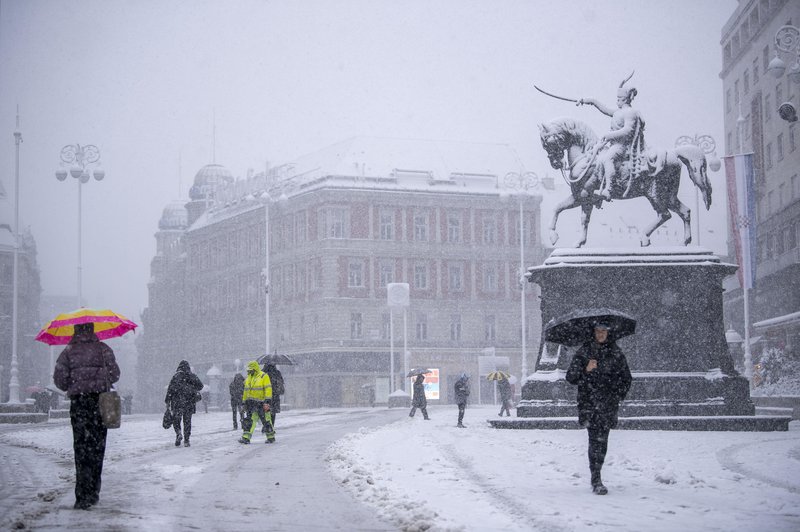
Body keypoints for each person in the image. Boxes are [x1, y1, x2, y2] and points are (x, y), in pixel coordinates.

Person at [53, 322, 120, 510]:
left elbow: (60, 380)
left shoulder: (68, 352)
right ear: (92, 329)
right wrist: (100, 375)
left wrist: (75, 383)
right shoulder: (103, 349)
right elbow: (115, 375)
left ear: (75, 330)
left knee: (81, 448)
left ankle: (81, 496)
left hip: (79, 405)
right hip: (100, 402)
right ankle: (93, 492)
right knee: (97, 448)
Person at [566, 323, 632, 495]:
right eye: (598, 331)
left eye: (604, 331)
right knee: (594, 440)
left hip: (608, 404)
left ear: (608, 333)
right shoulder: (584, 352)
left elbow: (626, 378)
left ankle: (597, 474)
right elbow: (571, 377)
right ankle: (596, 478)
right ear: (593, 332)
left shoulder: (616, 353)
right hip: (589, 403)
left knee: (602, 442)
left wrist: (616, 392)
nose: (601, 334)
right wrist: (586, 370)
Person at [578, 79, 646, 200]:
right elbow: (603, 108)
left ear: (625, 99)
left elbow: (628, 131)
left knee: (608, 158)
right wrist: (587, 101)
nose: (617, 102)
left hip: (623, 146)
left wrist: (610, 135)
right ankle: (595, 186)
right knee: (600, 157)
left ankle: (609, 189)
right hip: (614, 145)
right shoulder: (618, 112)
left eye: (619, 99)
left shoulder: (630, 113)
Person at [164, 360, 204, 448]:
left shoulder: (175, 377)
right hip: (189, 403)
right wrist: (193, 388)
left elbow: (170, 390)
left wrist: (167, 401)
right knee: (187, 421)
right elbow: (201, 386)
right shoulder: (192, 376)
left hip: (177, 403)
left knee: (176, 420)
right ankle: (186, 440)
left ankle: (178, 433)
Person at [239, 360, 275, 444]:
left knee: (266, 420)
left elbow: (268, 389)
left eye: (251, 369)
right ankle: (246, 438)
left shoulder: (263, 376)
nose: (249, 371)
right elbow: (245, 391)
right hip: (251, 403)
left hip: (262, 403)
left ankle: (271, 437)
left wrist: (267, 402)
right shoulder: (248, 379)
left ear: (255, 368)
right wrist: (244, 403)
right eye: (249, 369)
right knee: (250, 421)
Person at [262, 362, 284, 429]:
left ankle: (265, 426)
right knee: (273, 412)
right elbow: (281, 382)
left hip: (265, 395)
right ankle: (271, 426)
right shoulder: (277, 373)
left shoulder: (263, 373)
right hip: (275, 395)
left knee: (265, 412)